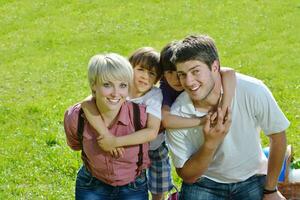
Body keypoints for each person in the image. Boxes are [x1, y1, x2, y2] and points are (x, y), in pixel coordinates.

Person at [166, 35, 290, 200]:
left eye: (195, 71)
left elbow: (278, 136)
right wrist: (210, 143)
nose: (188, 82)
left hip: (251, 178)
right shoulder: (178, 114)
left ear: (215, 67)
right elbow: (187, 175)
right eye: (182, 74)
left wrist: (271, 189)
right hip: (204, 182)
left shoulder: (252, 90)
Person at [80, 47, 166, 200]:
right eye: (140, 69)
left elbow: (152, 132)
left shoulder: (154, 95)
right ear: (128, 68)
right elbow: (87, 103)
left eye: (151, 73)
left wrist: (115, 141)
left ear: (157, 79)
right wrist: (106, 135)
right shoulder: (119, 90)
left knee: (159, 184)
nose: (145, 76)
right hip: (122, 152)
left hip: (153, 147)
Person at [64, 53, 151, 200]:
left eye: (122, 85)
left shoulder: (141, 116)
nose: (115, 93)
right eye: (107, 85)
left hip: (133, 186)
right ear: (93, 85)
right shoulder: (76, 117)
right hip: (92, 185)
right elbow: (76, 145)